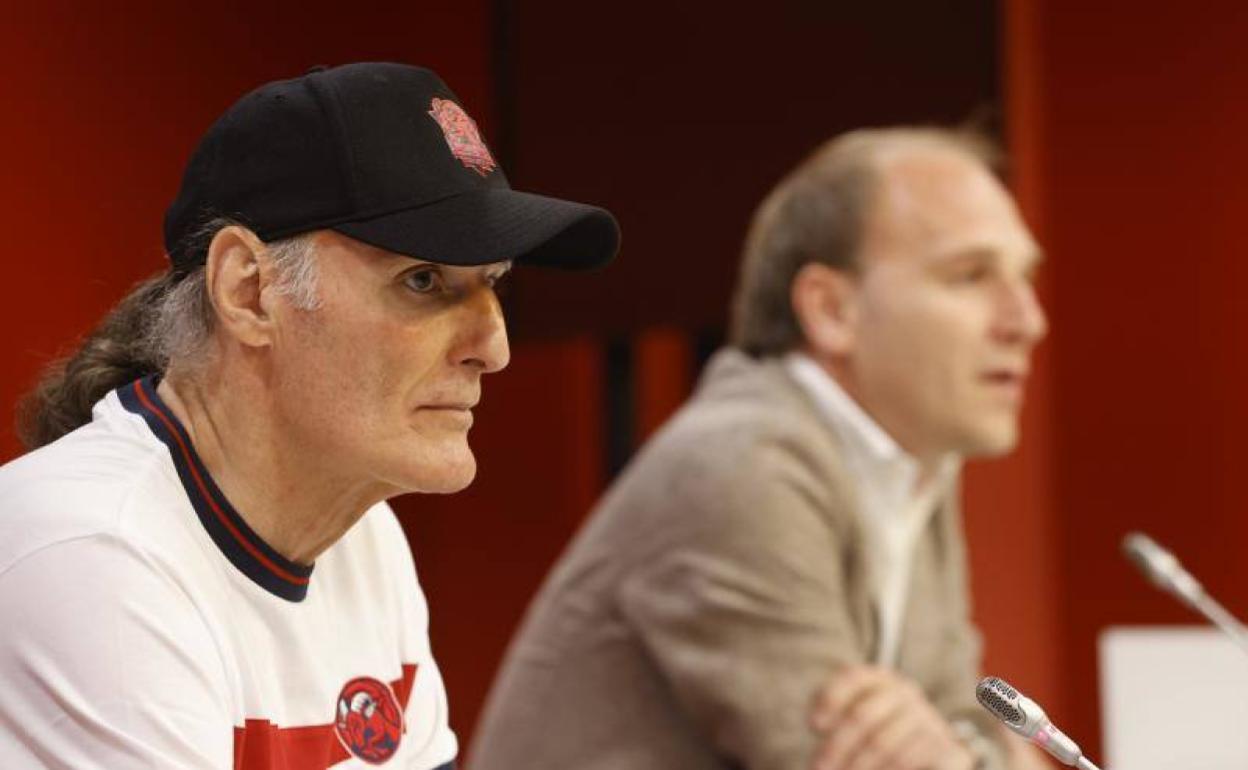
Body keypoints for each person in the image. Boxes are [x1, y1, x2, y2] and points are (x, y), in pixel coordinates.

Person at [0, 62, 618, 769]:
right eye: (423, 281)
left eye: (494, 286)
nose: (496, 349)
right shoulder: (90, 556)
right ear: (249, 290)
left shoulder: (364, 536)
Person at [470, 127, 1047, 770]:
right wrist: (968, 751)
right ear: (831, 309)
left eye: (1024, 278)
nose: (1027, 320)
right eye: (970, 276)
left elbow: (979, 721)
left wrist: (960, 746)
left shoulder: (912, 466)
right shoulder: (739, 463)